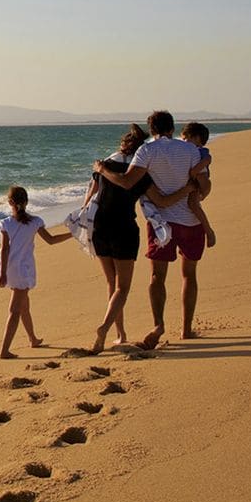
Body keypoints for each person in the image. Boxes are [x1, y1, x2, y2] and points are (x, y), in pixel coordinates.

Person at [98, 110, 209, 348]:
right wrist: (195, 193)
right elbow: (203, 185)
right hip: (191, 221)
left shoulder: (147, 150)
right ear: (171, 128)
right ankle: (187, 330)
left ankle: (158, 324)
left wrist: (103, 171)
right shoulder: (190, 150)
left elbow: (128, 182)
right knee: (189, 275)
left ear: (153, 129)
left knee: (157, 276)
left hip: (161, 224)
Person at [0, 185, 72, 359]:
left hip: (9, 267)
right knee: (15, 310)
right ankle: (4, 351)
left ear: (10, 202)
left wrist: (2, 273)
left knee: (24, 305)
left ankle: (33, 339)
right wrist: (71, 234)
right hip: (24, 270)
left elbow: (4, 250)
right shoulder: (35, 222)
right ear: (27, 202)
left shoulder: (6, 223)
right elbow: (51, 240)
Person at [181, 121, 216, 248]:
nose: (183, 141)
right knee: (193, 204)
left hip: (199, 179)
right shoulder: (195, 150)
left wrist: (193, 173)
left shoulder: (200, 151)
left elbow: (206, 161)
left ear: (196, 138)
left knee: (193, 205)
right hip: (198, 180)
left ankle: (208, 231)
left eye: (185, 138)